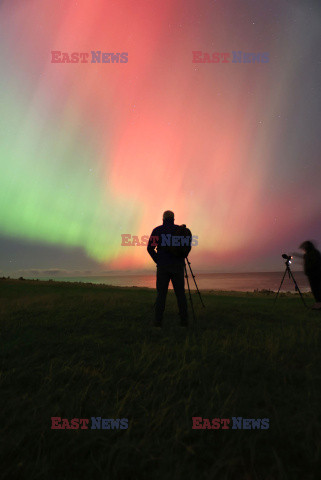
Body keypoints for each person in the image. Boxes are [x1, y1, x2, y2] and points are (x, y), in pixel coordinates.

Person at [147, 210, 191, 327]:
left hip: (163, 267)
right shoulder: (181, 231)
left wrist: (158, 260)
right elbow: (186, 248)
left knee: (161, 294)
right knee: (180, 294)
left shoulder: (157, 230)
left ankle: (158, 321)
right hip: (178, 266)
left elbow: (150, 248)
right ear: (174, 219)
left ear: (163, 219)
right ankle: (184, 320)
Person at [299, 241, 321, 309]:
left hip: (315, 274)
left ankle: (318, 304)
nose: (303, 250)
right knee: (316, 289)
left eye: (304, 248)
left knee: (316, 289)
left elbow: (313, 264)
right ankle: (318, 303)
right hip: (313, 274)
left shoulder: (312, 253)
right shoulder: (312, 253)